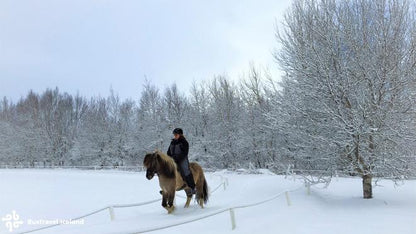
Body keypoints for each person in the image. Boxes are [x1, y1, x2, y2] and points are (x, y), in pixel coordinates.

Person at [167, 128, 196, 194]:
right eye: (174, 135)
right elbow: (168, 152)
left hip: (182, 159)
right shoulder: (172, 142)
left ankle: (192, 187)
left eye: (176, 134)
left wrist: (177, 159)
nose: (175, 136)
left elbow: (184, 153)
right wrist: (169, 158)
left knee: (186, 171)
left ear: (180, 135)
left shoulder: (184, 142)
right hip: (173, 160)